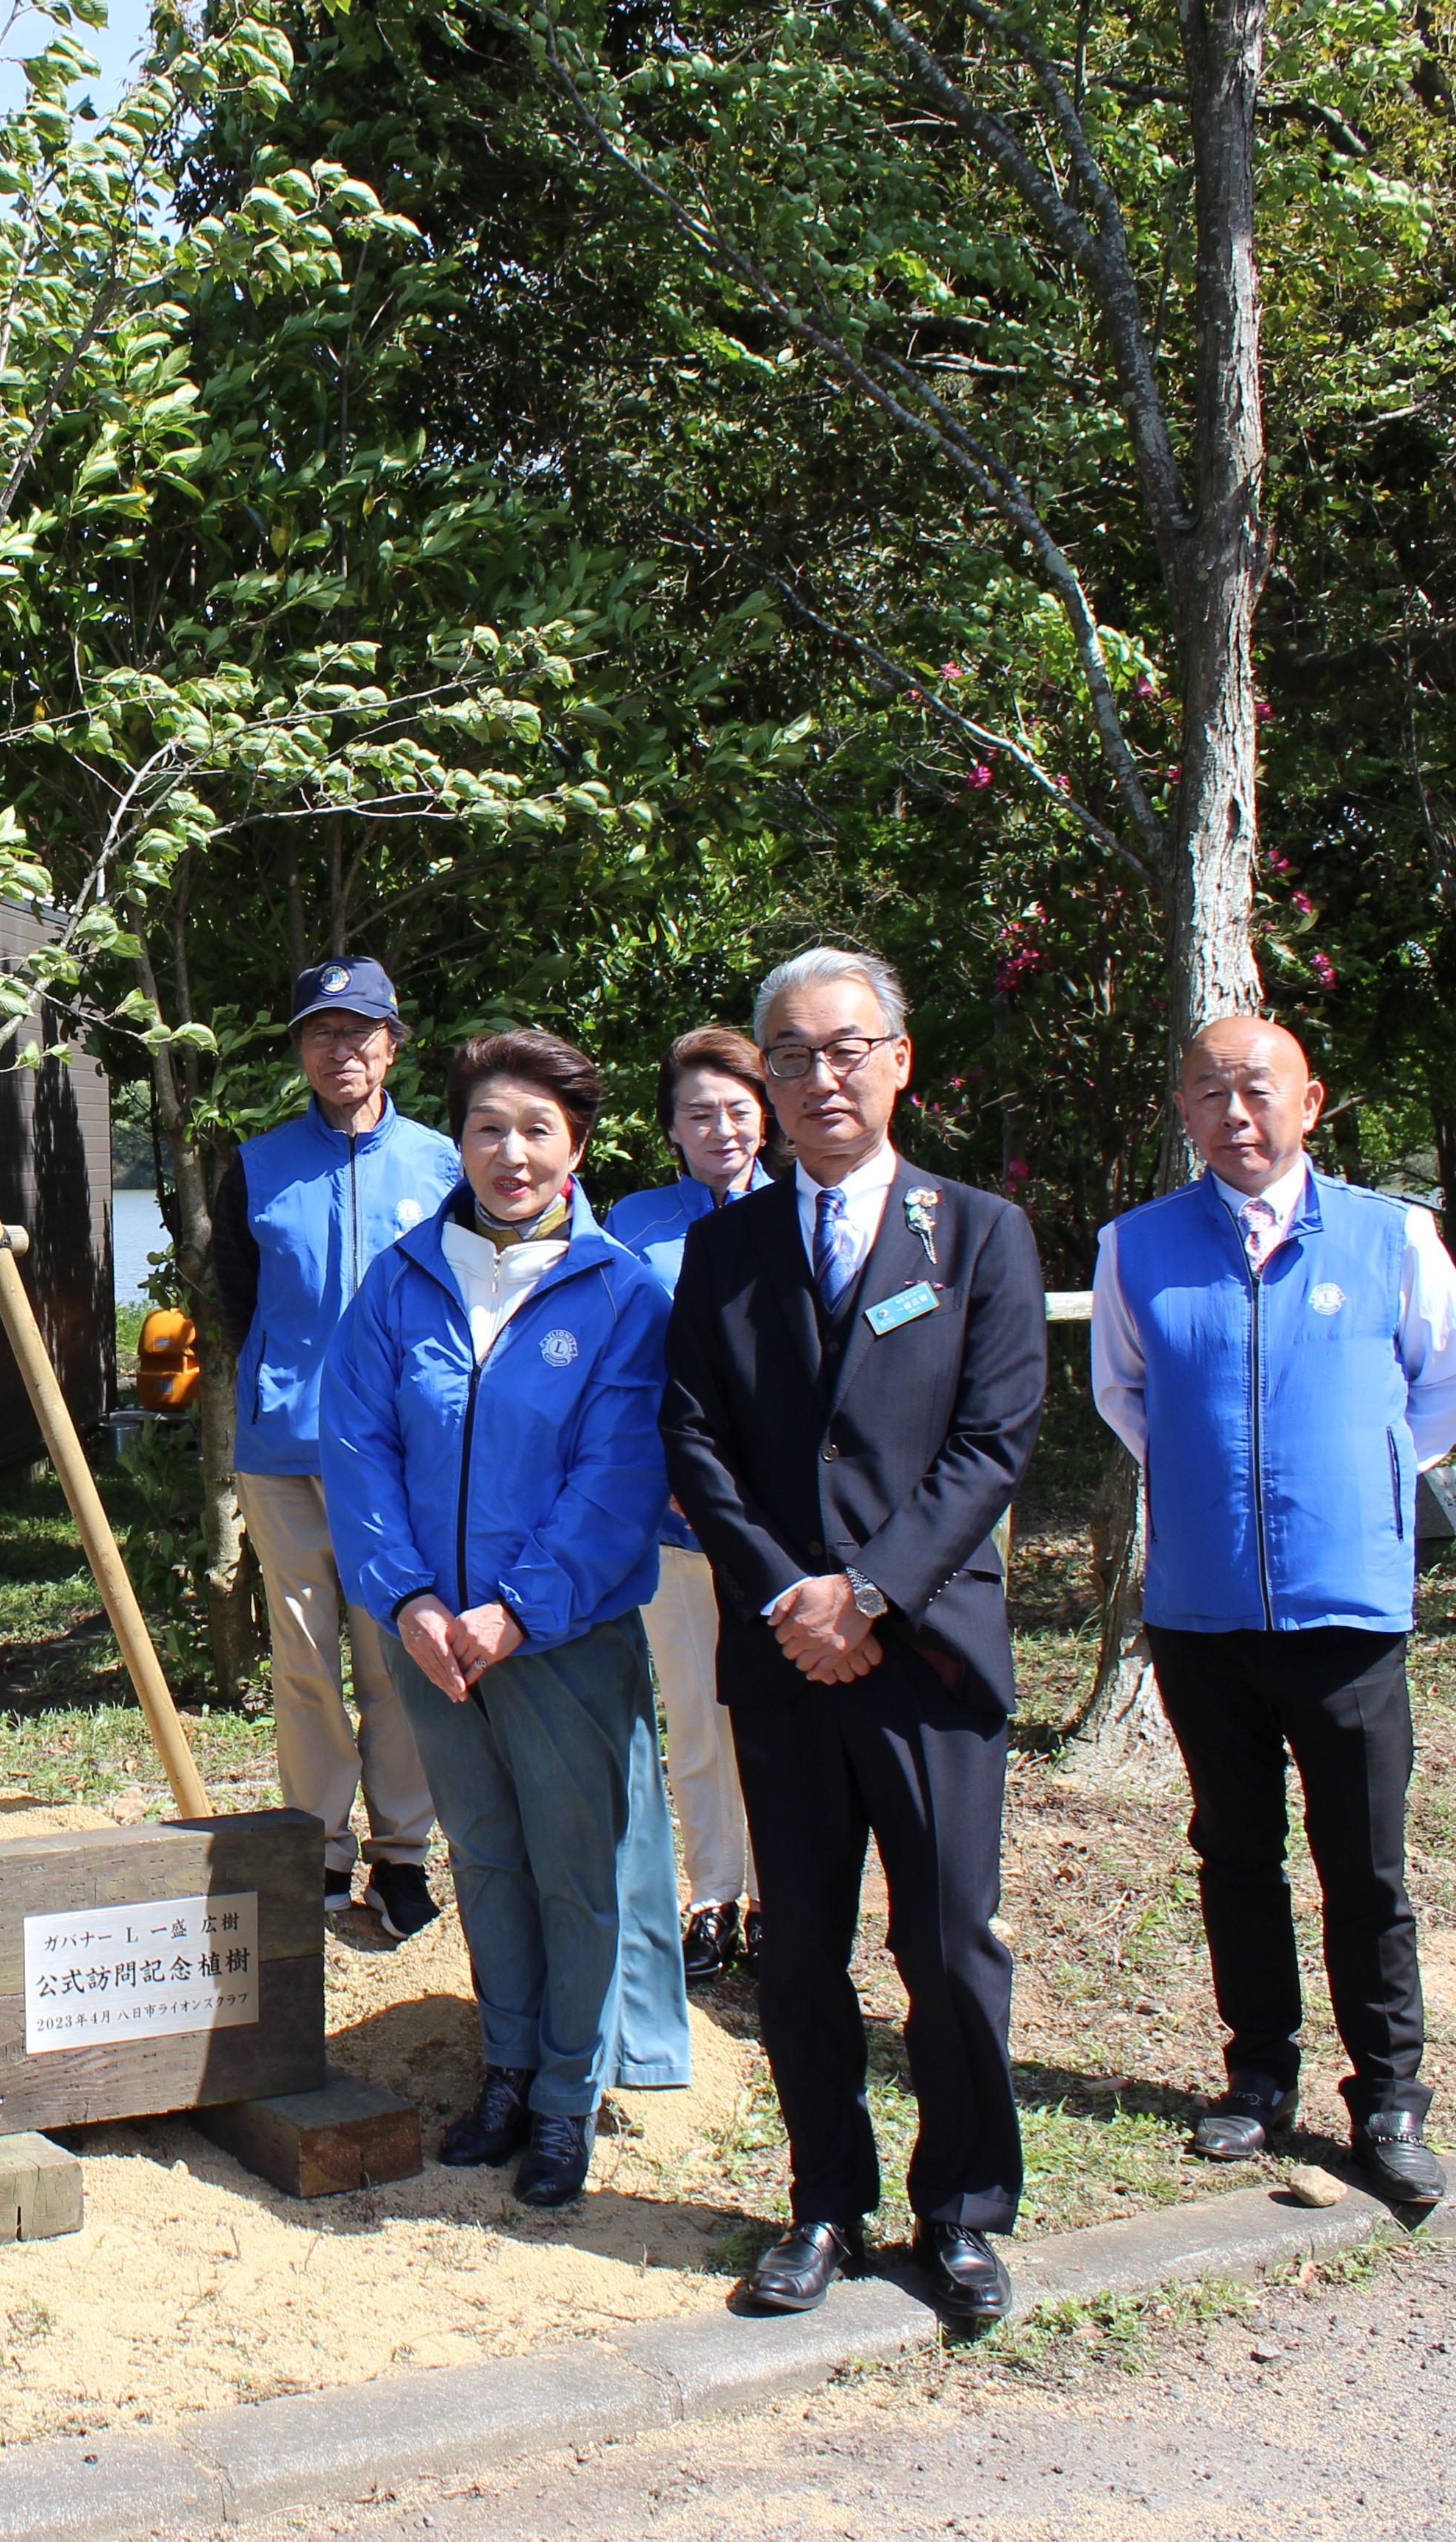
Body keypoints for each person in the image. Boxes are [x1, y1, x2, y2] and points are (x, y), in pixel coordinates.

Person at [660, 945, 1046, 2325]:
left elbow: (994, 1440)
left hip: (928, 1653)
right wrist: (789, 1596)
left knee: (948, 1947)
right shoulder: (723, 1248)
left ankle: (963, 2211)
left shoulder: (979, 1233)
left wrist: (868, 1593)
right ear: (762, 1077)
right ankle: (825, 2200)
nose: (821, 1076)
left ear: (897, 1063)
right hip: (780, 1657)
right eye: (794, 1054)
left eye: (846, 1048)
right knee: (802, 1947)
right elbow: (695, 1442)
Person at [1091, 1015, 1456, 2204]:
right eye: (1210, 1093)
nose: (1236, 1115)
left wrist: (1366, 1477)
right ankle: (1258, 2078)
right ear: (1184, 1110)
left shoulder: (1392, 1237)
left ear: (1309, 1102)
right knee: (1236, 1854)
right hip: (1202, 1613)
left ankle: (1390, 2098)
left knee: (1365, 1866)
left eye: (1258, 1090)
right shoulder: (1137, 1247)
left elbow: (1450, 1379)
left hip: (1347, 1612)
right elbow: (1126, 1394)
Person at [324, 1028, 688, 2210]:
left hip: (559, 1640)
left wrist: (516, 1612)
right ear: (459, 1142)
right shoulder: (403, 1279)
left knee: (576, 1871)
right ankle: (508, 2068)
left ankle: (567, 2099)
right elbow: (359, 1445)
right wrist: (411, 1599)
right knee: (484, 1857)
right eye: (489, 1128)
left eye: (537, 1129)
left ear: (576, 1146)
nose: (511, 1152)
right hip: (431, 1639)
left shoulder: (622, 1292)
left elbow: (618, 1473)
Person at [211, 955, 464, 1932]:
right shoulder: (258, 1164)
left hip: (402, 1464)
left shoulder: (443, 1164)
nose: (341, 1047)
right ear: (301, 1050)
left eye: (360, 1030)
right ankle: (316, 1845)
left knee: (400, 1657)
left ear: (393, 1044)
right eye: (322, 1031)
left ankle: (403, 1852)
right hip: (285, 1454)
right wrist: (281, 1377)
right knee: (307, 1659)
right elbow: (241, 1294)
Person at [604, 1028, 777, 1982]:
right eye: (698, 1111)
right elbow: (617, 1361)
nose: (719, 1127)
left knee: (770, 1715)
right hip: (668, 1516)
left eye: (737, 1108)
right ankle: (711, 1896)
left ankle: (777, 1897)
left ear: (767, 1115)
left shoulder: (801, 1215)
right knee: (693, 1712)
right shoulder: (634, 1225)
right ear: (671, 1127)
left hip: (772, 1524)